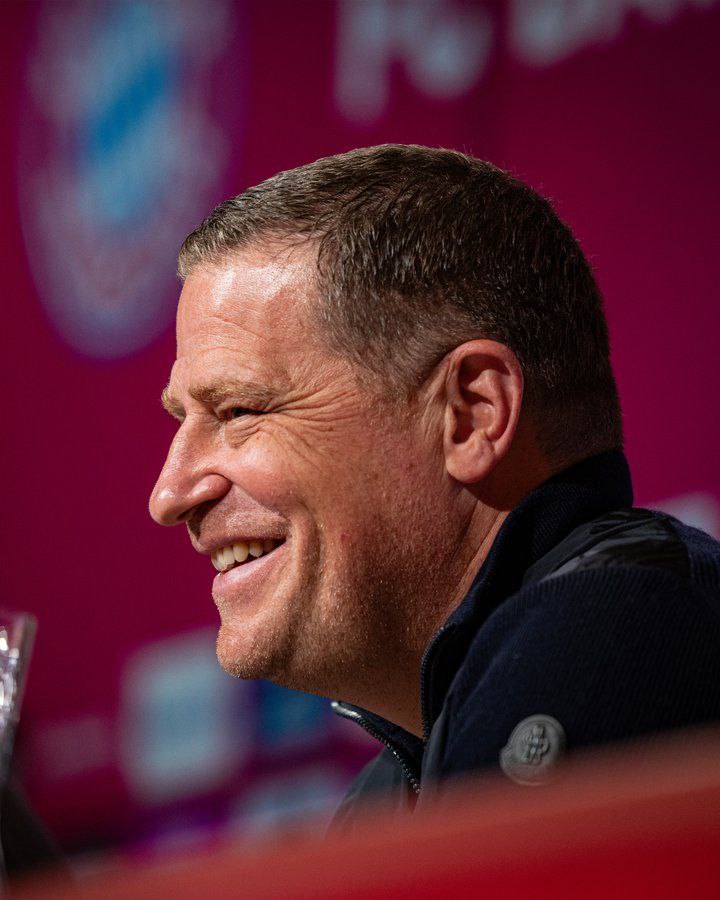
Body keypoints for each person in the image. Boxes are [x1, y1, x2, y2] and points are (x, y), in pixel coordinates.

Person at [149, 144, 720, 829]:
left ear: (471, 414)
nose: (169, 495)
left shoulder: (616, 639)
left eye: (240, 411)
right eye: (183, 419)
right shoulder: (383, 795)